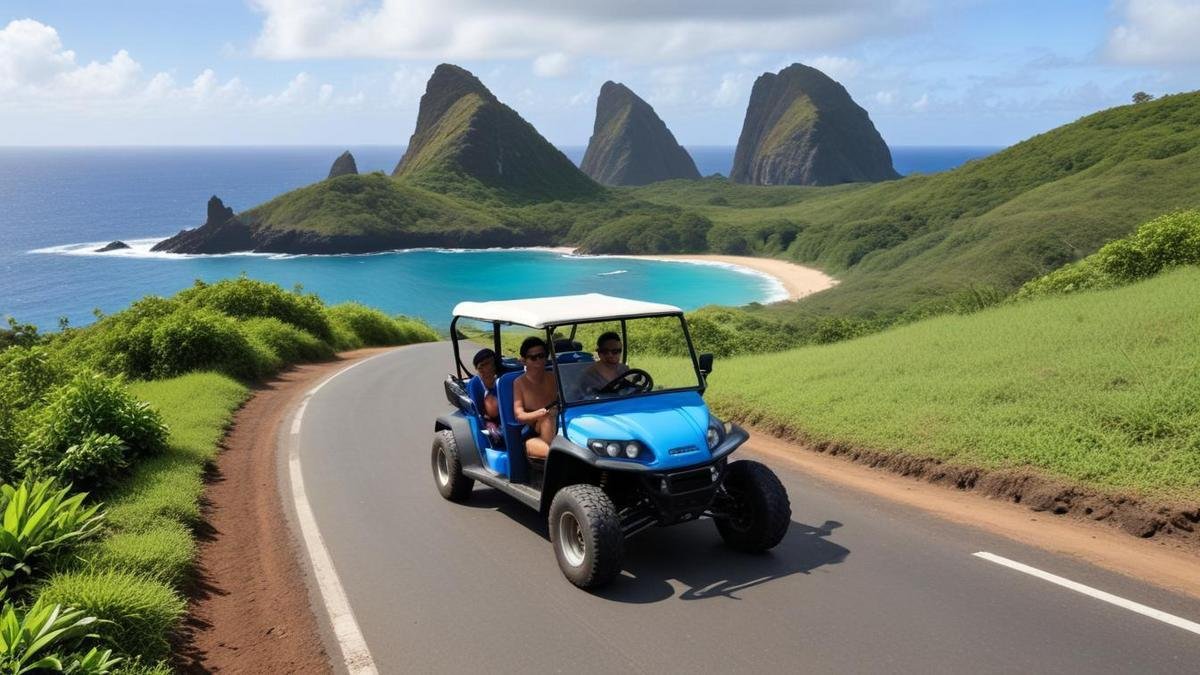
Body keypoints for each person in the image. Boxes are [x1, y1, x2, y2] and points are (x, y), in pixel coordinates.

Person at [513, 336, 558, 460]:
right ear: (524, 360)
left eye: (541, 356)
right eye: (533, 358)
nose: (538, 360)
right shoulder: (519, 383)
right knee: (546, 418)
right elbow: (519, 416)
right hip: (534, 432)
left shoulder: (553, 377)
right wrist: (539, 413)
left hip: (559, 424)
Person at [580, 332, 629, 396]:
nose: (610, 355)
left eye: (615, 351)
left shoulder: (624, 369)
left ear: (620, 352)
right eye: (605, 351)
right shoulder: (589, 375)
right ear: (599, 353)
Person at [469, 348, 502, 444]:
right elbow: (480, 412)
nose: (485, 368)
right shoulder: (475, 384)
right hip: (489, 419)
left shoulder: (501, 379)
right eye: (481, 366)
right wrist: (489, 423)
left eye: (488, 363)